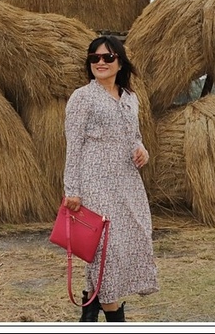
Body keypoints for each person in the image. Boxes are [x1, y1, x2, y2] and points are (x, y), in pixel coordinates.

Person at [62, 34, 159, 322]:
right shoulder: (82, 97)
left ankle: (89, 310)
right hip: (95, 183)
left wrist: (142, 151)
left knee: (130, 241)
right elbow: (73, 144)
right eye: (95, 58)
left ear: (120, 62)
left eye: (107, 57)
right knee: (107, 248)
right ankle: (115, 317)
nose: (100, 62)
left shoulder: (131, 98)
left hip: (128, 183)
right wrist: (72, 189)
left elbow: (135, 137)